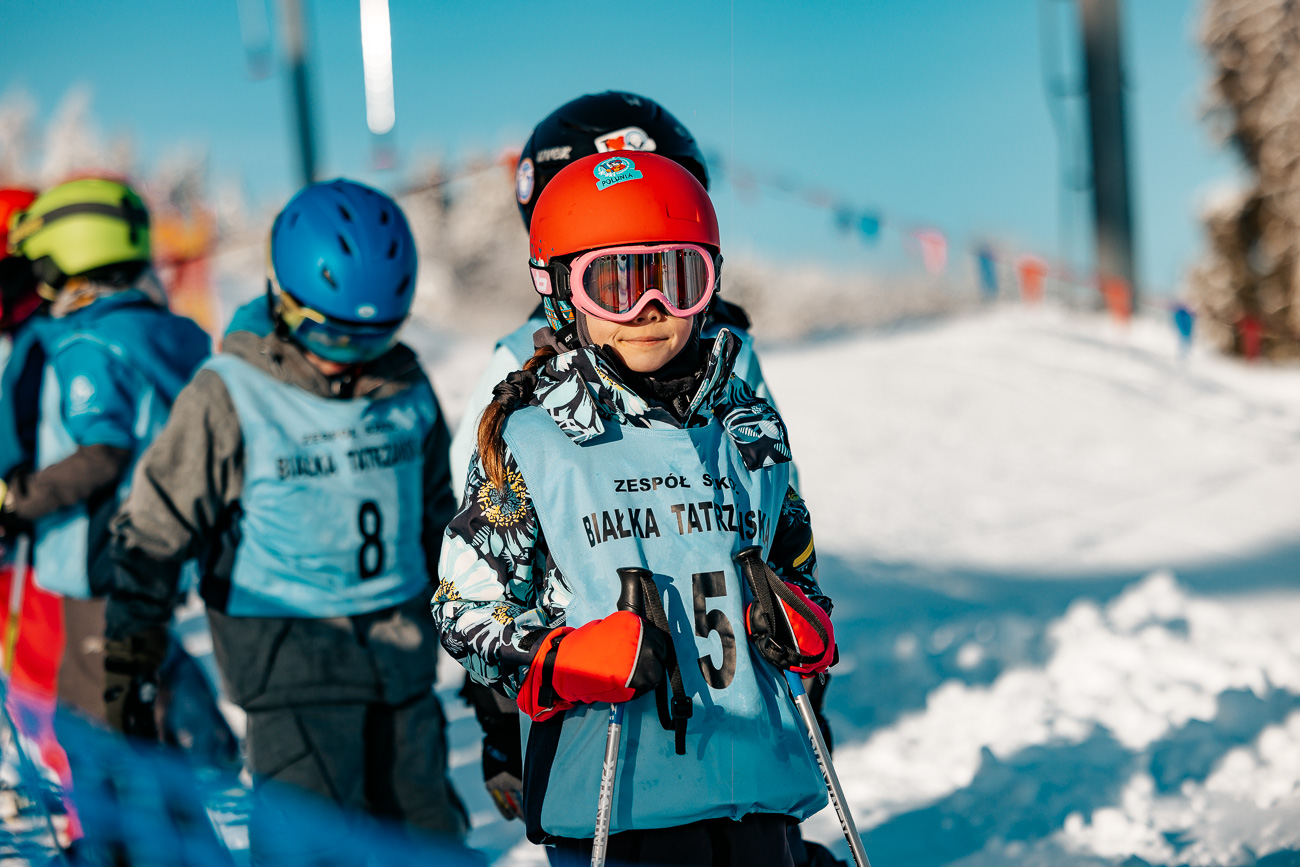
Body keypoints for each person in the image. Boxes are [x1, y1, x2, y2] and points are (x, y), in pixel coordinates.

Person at [433, 152, 836, 866]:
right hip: (617, 805)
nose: (650, 309)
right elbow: (463, 608)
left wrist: (805, 622)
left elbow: (793, 565)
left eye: (678, 279)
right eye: (616, 283)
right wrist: (557, 659)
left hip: (756, 788)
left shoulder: (748, 432)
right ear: (562, 291)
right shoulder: (533, 441)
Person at [104, 179, 467, 862]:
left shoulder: (405, 383)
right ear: (284, 299)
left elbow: (440, 516)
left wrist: (478, 633)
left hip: (400, 663)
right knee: (308, 848)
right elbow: (155, 525)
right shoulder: (230, 393)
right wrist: (133, 650)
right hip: (290, 666)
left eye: (375, 335)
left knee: (429, 844)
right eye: (331, 333)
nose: (349, 354)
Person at [0, 178, 210, 725]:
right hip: (153, 549)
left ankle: (181, 760)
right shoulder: (160, 330)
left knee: (96, 719)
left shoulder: (87, 343)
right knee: (137, 688)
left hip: (100, 559)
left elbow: (102, 452)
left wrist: (18, 500)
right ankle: (201, 744)